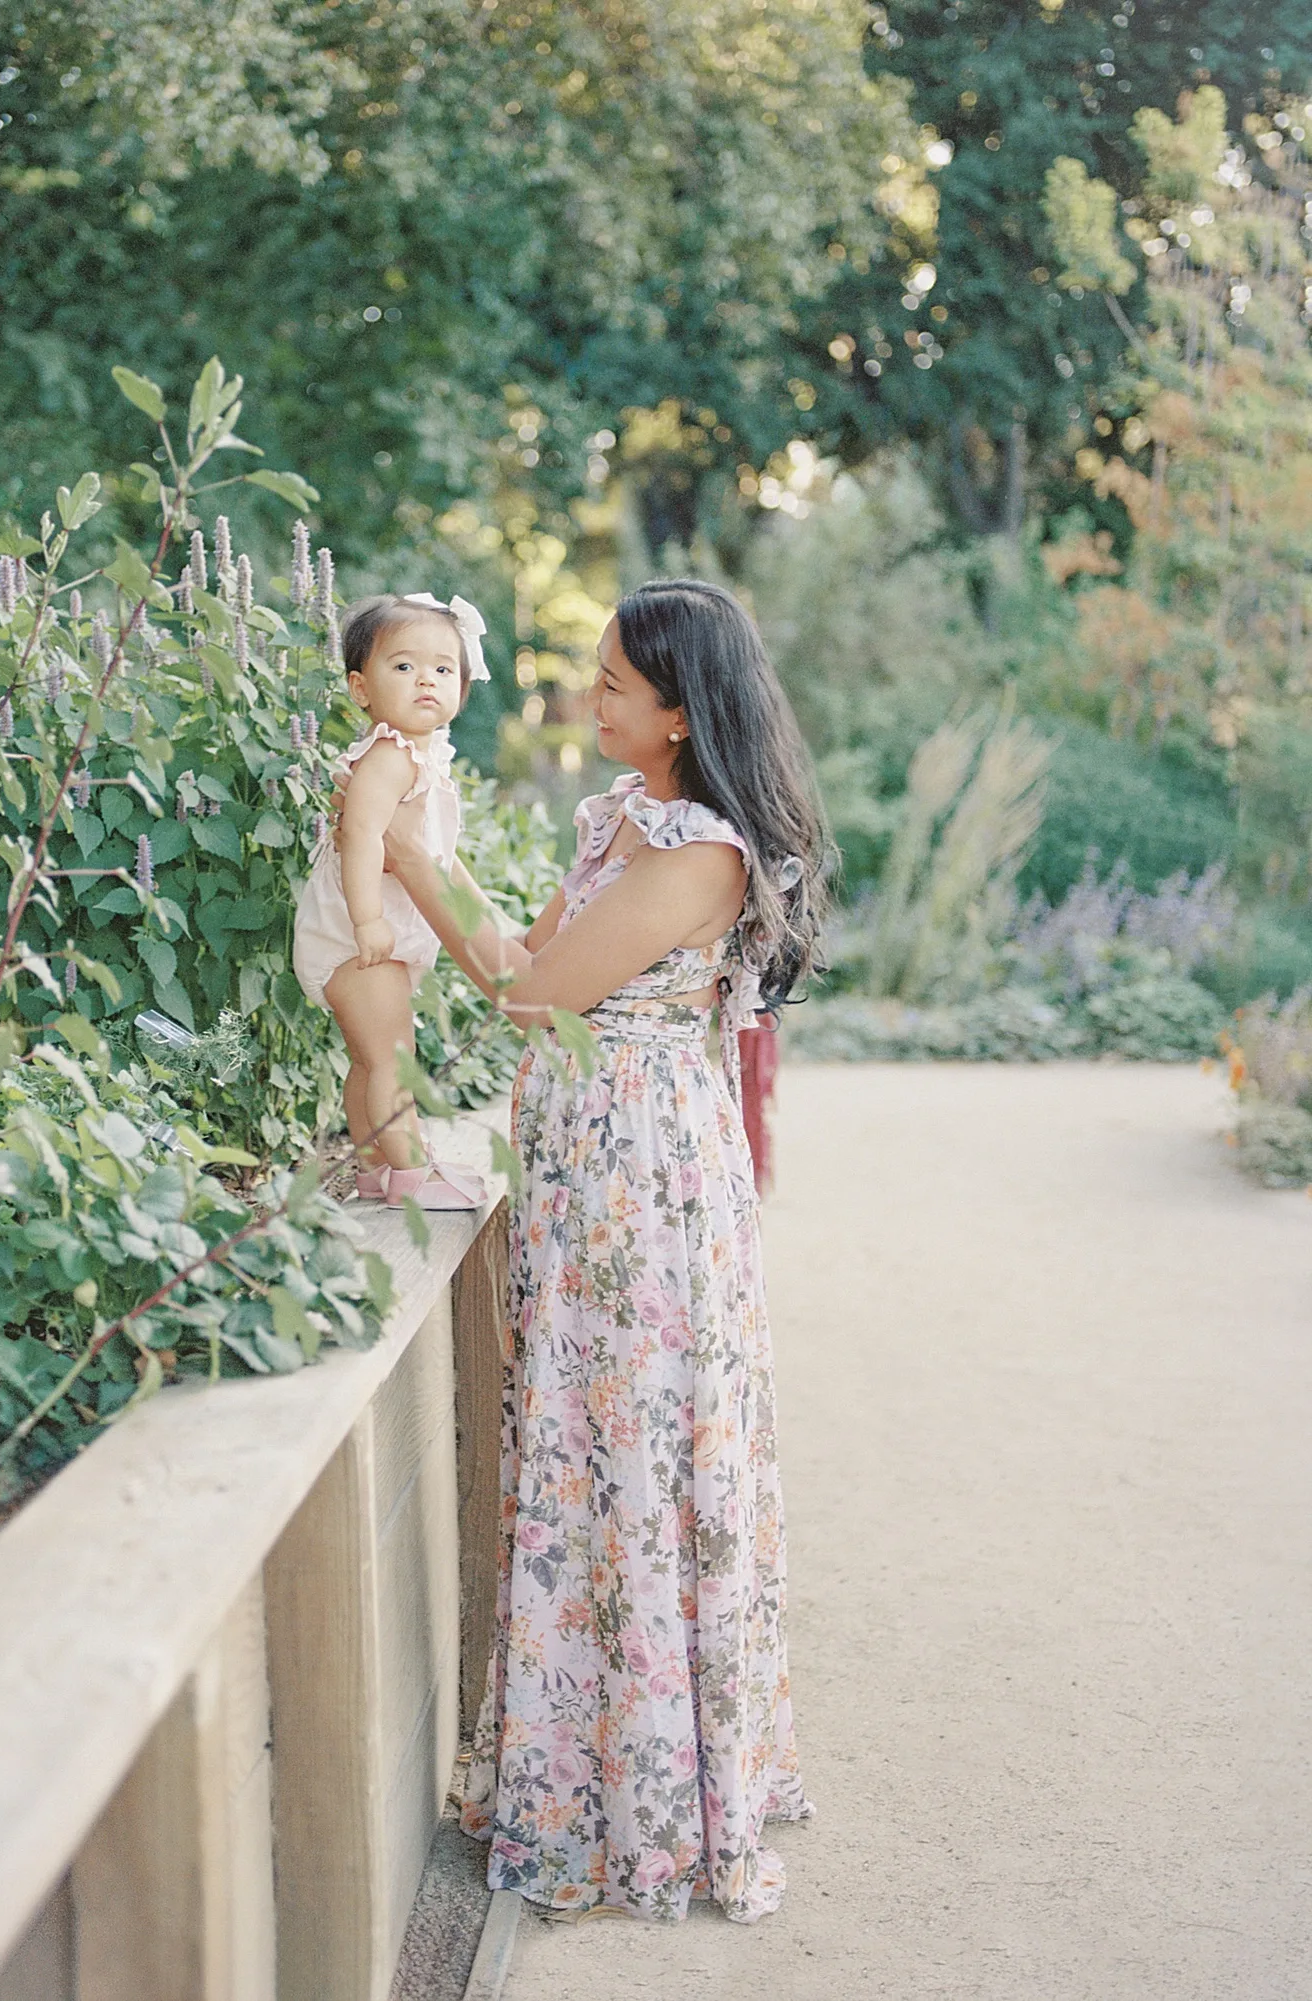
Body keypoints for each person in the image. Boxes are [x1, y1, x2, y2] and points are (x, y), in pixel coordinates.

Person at [372, 578, 834, 1923]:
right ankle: (585, 1778)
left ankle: (640, 1803)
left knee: (629, 1455)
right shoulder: (632, 821)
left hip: (644, 1189)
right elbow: (540, 969)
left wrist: (408, 852)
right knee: (586, 1451)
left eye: (617, 684)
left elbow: (530, 988)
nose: (591, 694)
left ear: (684, 714)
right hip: (597, 1168)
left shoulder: (698, 852)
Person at [292, 590, 497, 1209]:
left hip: (358, 937)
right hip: (359, 935)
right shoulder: (389, 756)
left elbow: (430, 848)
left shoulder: (421, 755)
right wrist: (369, 918)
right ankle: (411, 1174)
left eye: (442, 668)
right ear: (361, 688)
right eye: (403, 667)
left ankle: (375, 1166)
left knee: (369, 1059)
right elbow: (358, 835)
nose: (426, 680)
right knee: (392, 1059)